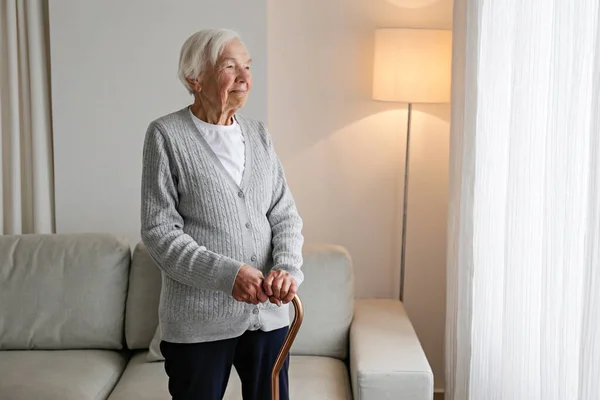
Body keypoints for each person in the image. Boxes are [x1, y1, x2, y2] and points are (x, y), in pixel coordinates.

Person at [140, 28, 304, 400]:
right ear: (194, 78)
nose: (245, 78)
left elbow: (285, 216)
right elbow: (159, 232)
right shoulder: (166, 135)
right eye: (230, 67)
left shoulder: (260, 135)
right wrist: (227, 275)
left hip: (269, 316)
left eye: (247, 66)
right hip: (199, 323)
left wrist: (286, 269)